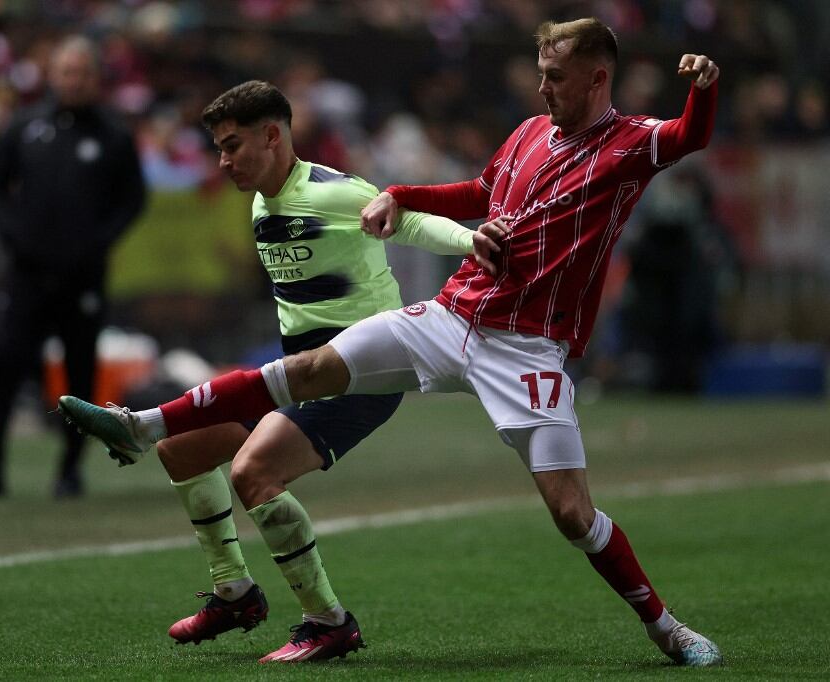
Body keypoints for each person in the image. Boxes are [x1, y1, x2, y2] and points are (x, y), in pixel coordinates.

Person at [59, 18, 724, 667]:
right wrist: (399, 196)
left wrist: (703, 84)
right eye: (542, 74)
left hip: (526, 348)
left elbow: (693, 134)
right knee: (309, 367)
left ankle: (666, 629)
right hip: (450, 316)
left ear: (597, 76)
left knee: (573, 515)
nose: (542, 88)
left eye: (555, 76)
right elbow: (476, 192)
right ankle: (140, 426)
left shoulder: (632, 141)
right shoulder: (527, 133)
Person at [110, 80, 474, 663]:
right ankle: (235, 594)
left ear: (273, 136)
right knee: (181, 451)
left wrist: (472, 239)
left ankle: (328, 622)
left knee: (252, 474)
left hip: (360, 374)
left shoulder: (334, 192)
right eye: (219, 148)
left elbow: (406, 220)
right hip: (296, 375)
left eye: (232, 146)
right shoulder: (261, 201)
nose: (223, 161)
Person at [0, 35, 146, 498]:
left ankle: (70, 470)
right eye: (66, 71)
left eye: (82, 72)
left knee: (79, 374)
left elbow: (133, 198)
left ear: (96, 78)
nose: (73, 80)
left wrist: (101, 240)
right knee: (5, 362)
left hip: (83, 276)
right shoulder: (24, 127)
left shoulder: (113, 135)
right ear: (52, 76)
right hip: (28, 273)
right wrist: (16, 236)